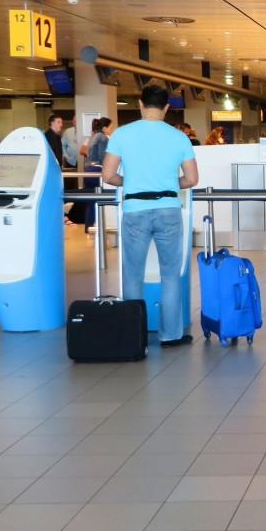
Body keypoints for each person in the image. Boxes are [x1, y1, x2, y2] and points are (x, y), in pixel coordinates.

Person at [101, 85, 198, 347]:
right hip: (168, 209)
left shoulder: (121, 134)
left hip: (134, 210)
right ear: (167, 107)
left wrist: (130, 180)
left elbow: (108, 176)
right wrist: (167, 185)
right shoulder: (179, 137)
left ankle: (133, 334)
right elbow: (192, 178)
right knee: (170, 274)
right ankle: (171, 335)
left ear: (140, 104)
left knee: (133, 275)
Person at [84, 117, 114, 231]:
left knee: (90, 199)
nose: (112, 130)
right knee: (99, 198)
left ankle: (89, 227)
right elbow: (103, 157)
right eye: (111, 127)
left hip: (88, 169)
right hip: (97, 169)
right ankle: (97, 227)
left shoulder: (93, 136)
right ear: (105, 128)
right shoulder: (102, 137)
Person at [61, 116, 81, 182]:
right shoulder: (68, 131)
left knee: (81, 180)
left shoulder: (84, 132)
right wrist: (66, 156)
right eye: (75, 121)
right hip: (70, 161)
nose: (76, 123)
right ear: (72, 122)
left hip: (82, 161)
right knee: (70, 181)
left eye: (78, 121)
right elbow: (62, 145)